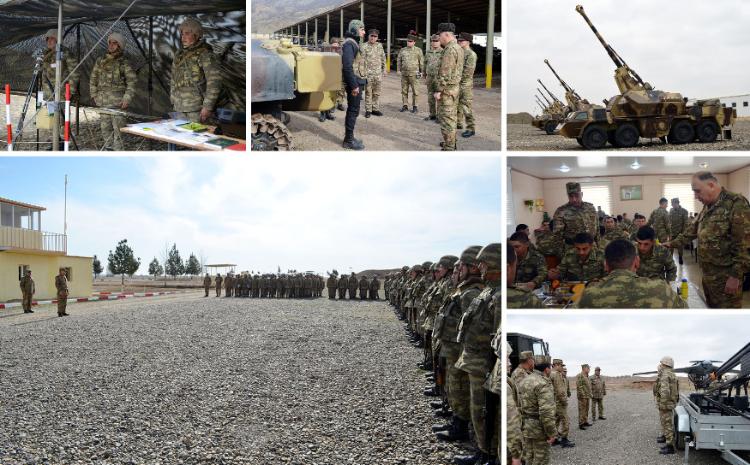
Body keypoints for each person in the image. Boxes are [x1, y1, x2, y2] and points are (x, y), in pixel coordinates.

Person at [664, 171, 750, 308]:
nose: (695, 196)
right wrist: (670, 243)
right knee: (711, 310)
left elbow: (743, 245)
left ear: (711, 185)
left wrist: (735, 276)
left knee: (727, 315)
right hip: (708, 276)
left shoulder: (736, 203)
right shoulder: (707, 206)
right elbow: (691, 232)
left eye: (697, 191)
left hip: (726, 278)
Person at [575, 239, 687, 309]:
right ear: (637, 262)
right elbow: (684, 312)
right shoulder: (661, 289)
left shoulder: (588, 295)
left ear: (606, 265)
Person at [89, 32, 137, 150]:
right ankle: (108, 150)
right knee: (105, 130)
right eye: (110, 42)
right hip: (103, 102)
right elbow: (93, 78)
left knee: (118, 132)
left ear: (120, 45)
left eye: (114, 43)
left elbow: (132, 82)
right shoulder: (100, 60)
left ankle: (117, 153)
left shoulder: (124, 62)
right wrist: (94, 95)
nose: (111, 45)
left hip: (118, 104)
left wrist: (127, 98)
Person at [170, 18, 220, 123]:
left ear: (197, 35)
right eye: (182, 34)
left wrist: (207, 107)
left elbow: (214, 82)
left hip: (197, 109)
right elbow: (173, 79)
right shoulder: (179, 54)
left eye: (187, 34)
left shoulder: (205, 54)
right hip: (179, 107)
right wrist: (173, 100)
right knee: (178, 133)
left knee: (197, 133)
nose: (183, 37)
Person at [41, 29, 80, 149]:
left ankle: (64, 144)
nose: (49, 41)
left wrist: (71, 91)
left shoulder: (66, 53)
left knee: (62, 119)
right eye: (47, 39)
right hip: (48, 93)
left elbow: (75, 72)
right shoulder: (45, 54)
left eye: (52, 38)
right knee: (51, 119)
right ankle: (55, 143)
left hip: (62, 93)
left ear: (58, 40)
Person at [517, 355, 556, 465]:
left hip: (525, 426)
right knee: (541, 460)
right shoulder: (543, 383)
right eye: (550, 367)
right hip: (539, 428)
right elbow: (546, 412)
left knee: (529, 458)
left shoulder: (524, 380)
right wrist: (551, 432)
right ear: (546, 369)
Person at [434, 23, 463, 151]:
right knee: (452, 118)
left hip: (447, 91)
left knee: (447, 119)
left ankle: (449, 147)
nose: (439, 38)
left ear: (446, 34)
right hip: (454, 89)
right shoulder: (458, 48)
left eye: (439, 35)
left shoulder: (450, 50)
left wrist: (439, 90)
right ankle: (451, 142)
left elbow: (446, 72)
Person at [341, 20, 367, 150]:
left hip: (357, 81)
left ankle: (350, 137)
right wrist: (354, 85)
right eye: (362, 29)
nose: (364, 32)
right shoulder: (349, 44)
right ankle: (348, 140)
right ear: (355, 30)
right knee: (352, 110)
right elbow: (347, 67)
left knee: (354, 110)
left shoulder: (353, 43)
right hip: (354, 82)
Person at [552, 183, 600, 251]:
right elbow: (557, 235)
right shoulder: (561, 211)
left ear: (582, 194)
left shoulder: (590, 208)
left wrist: (599, 246)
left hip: (592, 247)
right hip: (573, 249)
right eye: (571, 196)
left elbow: (597, 228)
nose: (574, 199)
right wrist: (561, 253)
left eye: (577, 195)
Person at [507, 243, 545, 308]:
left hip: (531, 289)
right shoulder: (529, 300)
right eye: (512, 247)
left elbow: (543, 272)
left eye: (517, 246)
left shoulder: (536, 257)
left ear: (526, 245)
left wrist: (534, 283)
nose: (515, 249)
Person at [655, 356, 679, 455]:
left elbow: (665, 391)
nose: (660, 365)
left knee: (667, 424)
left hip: (665, 404)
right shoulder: (672, 374)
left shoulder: (665, 375)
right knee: (665, 422)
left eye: (661, 363)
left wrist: (662, 405)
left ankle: (670, 447)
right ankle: (665, 437)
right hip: (669, 402)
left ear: (665, 364)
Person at [456, 32, 477, 138]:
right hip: (457, 82)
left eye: (462, 40)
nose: (459, 42)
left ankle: (471, 128)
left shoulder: (471, 54)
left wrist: (456, 79)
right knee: (457, 104)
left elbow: (468, 72)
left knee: (466, 106)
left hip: (465, 84)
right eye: (459, 40)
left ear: (468, 42)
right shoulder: (459, 52)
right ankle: (458, 123)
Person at [361, 29, 385, 118]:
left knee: (376, 93)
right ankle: (368, 110)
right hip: (368, 74)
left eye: (375, 36)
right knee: (368, 93)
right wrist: (362, 73)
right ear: (368, 36)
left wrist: (384, 69)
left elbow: (383, 57)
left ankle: (375, 109)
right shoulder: (364, 46)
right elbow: (361, 61)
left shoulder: (379, 46)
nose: (373, 38)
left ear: (377, 37)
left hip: (378, 74)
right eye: (372, 36)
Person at [550, 359, 574, 447]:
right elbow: (560, 391)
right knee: (565, 420)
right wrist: (564, 401)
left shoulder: (550, 374)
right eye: (561, 365)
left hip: (553, 402)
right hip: (559, 402)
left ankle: (555, 439)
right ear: (556, 365)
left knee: (556, 420)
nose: (562, 368)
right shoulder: (556, 374)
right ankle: (564, 440)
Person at [396, 34, 423, 113]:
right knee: (404, 91)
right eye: (408, 41)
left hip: (414, 74)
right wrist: (398, 70)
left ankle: (415, 106)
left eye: (410, 41)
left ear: (414, 42)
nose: (409, 42)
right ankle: (405, 105)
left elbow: (421, 62)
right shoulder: (402, 50)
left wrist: (422, 72)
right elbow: (399, 60)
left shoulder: (418, 50)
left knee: (415, 91)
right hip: (404, 74)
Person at [319, 38, 344, 122]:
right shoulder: (325, 51)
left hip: (335, 77)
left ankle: (328, 113)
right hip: (325, 77)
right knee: (324, 96)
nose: (335, 47)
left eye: (337, 45)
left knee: (332, 96)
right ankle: (322, 113)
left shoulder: (340, 52)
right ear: (330, 44)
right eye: (334, 45)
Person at [424, 35, 443, 121]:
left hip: (439, 78)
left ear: (440, 42)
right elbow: (425, 63)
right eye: (433, 41)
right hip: (430, 78)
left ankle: (439, 116)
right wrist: (424, 74)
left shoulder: (443, 52)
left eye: (436, 41)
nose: (435, 43)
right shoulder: (428, 52)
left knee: (439, 97)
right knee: (430, 97)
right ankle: (432, 114)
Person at [669, 198, 689, 264]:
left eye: (673, 204)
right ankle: (670, 259)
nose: (672, 205)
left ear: (677, 203)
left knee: (680, 246)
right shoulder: (671, 211)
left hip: (680, 232)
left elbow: (685, 223)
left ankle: (680, 257)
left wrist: (683, 233)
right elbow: (669, 221)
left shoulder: (684, 211)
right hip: (672, 232)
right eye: (672, 204)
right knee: (670, 246)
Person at [576, 364, 592, 429]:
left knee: (586, 410)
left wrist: (590, 394)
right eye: (588, 368)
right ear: (584, 368)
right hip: (582, 397)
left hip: (587, 396)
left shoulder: (587, 376)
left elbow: (588, 386)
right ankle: (581, 423)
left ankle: (585, 421)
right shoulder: (580, 375)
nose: (589, 369)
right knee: (582, 410)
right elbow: (579, 386)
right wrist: (583, 395)